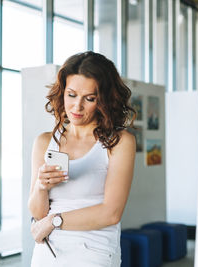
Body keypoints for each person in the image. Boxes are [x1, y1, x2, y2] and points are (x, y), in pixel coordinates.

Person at [28, 51, 136, 267]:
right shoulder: (44, 142)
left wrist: (53, 220)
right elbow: (37, 212)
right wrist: (41, 187)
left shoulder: (119, 142)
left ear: (104, 100)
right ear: (62, 93)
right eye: (72, 95)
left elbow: (111, 213)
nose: (77, 107)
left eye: (89, 98)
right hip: (48, 252)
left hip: (94, 253)